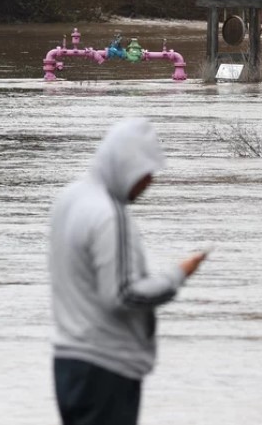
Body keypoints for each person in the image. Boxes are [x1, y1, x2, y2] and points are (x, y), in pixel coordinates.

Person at [49, 117, 208, 425]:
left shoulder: (68, 200)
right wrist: (177, 275)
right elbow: (122, 294)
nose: (149, 182)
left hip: (68, 363)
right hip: (107, 367)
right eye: (145, 173)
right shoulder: (109, 213)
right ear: (126, 165)